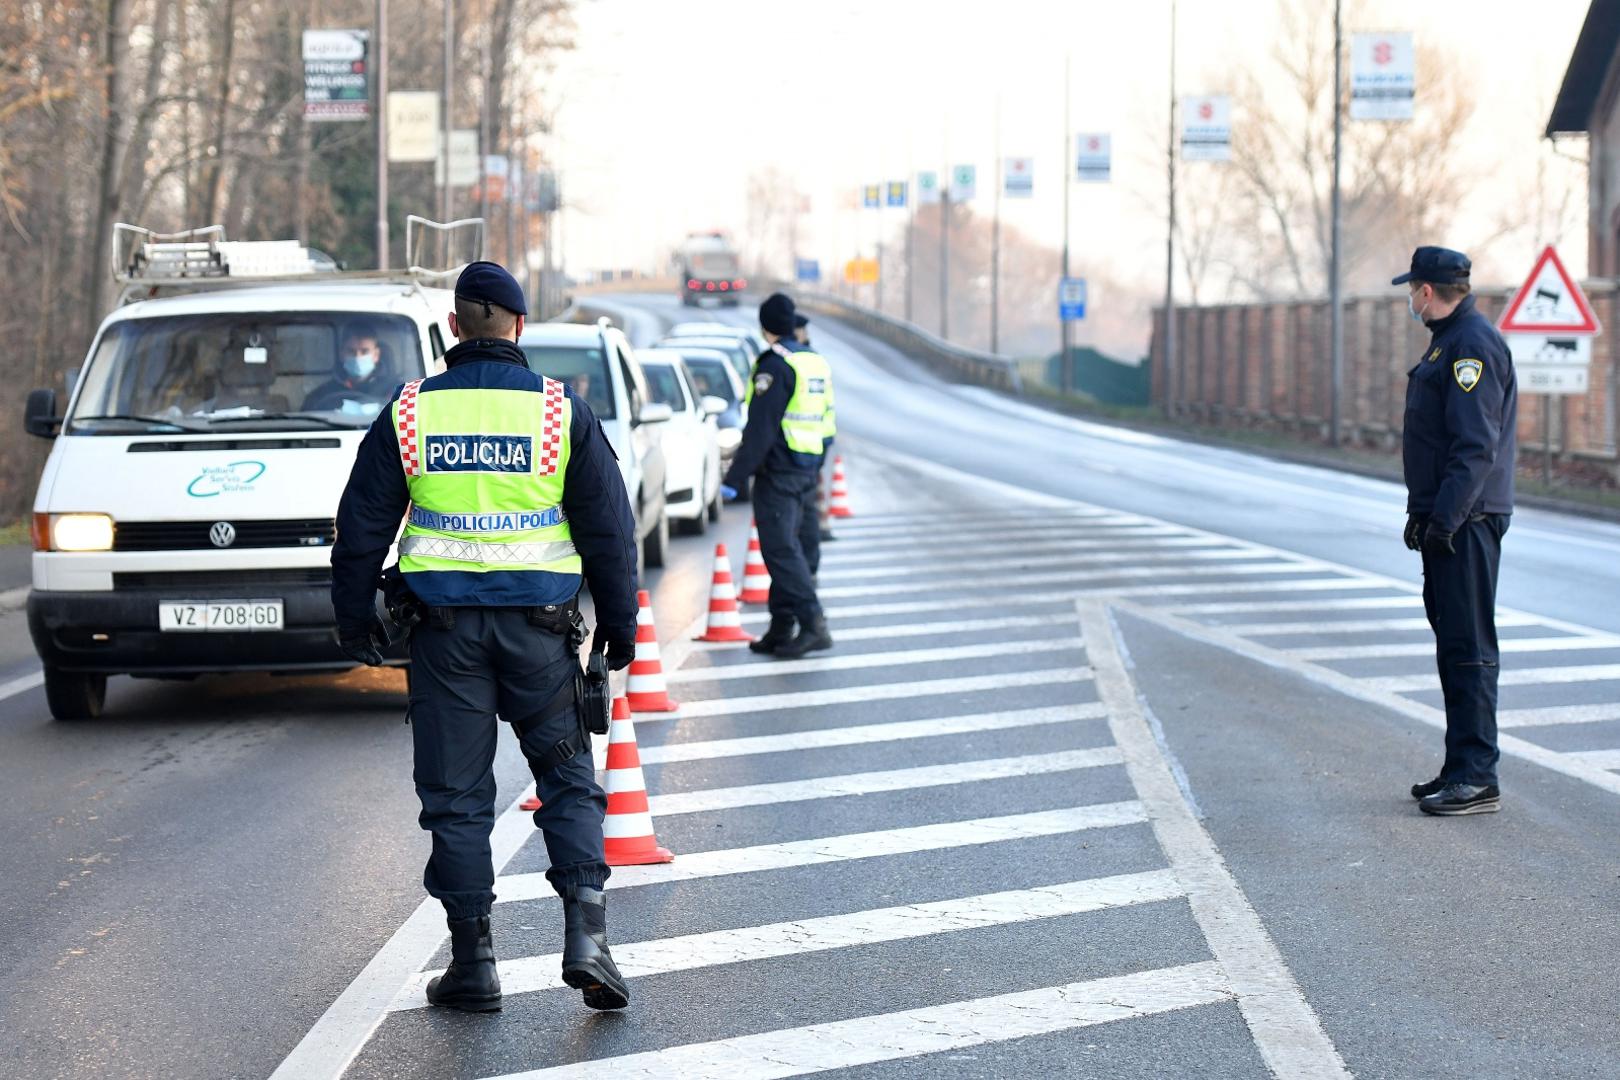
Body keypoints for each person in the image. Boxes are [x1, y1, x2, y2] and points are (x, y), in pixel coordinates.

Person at [330, 260, 640, 1011]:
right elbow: (609, 528)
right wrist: (620, 628)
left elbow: (361, 526)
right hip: (541, 638)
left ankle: (474, 965)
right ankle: (588, 941)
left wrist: (353, 617)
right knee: (567, 782)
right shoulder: (559, 413)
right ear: (520, 328)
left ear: (453, 327)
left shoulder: (410, 412)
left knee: (458, 800)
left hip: (444, 643)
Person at [1395, 246, 1517, 817]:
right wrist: (1423, 514)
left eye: (1412, 289)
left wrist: (1444, 519)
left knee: (1469, 648)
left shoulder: (1471, 346)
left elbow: (1475, 446)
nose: (1409, 299)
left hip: (1468, 520)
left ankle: (1477, 775)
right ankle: (1458, 766)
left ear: (1426, 290)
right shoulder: (1449, 341)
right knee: (1453, 646)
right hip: (1449, 518)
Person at [722, 292, 834, 659]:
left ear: (765, 326)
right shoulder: (814, 362)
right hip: (807, 469)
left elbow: (760, 429)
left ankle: (813, 624)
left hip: (781, 472)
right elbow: (828, 422)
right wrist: (815, 464)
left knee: (782, 552)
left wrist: (734, 478)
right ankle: (782, 625)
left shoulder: (775, 365)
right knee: (796, 548)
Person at [303, 323, 393, 413]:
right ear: (342, 354)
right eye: (351, 351)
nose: (358, 357)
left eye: (365, 351)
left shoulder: (396, 392)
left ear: (376, 355)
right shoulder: (321, 396)